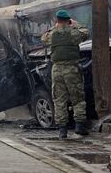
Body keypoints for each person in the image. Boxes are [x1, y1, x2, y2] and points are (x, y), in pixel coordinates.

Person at [41, 10, 90, 139]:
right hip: (72, 68)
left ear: (57, 21)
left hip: (57, 70)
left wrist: (56, 26)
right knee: (77, 98)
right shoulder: (74, 32)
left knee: (59, 100)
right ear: (68, 20)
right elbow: (86, 33)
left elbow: (43, 38)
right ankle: (79, 126)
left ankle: (62, 130)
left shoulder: (52, 34)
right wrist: (75, 25)